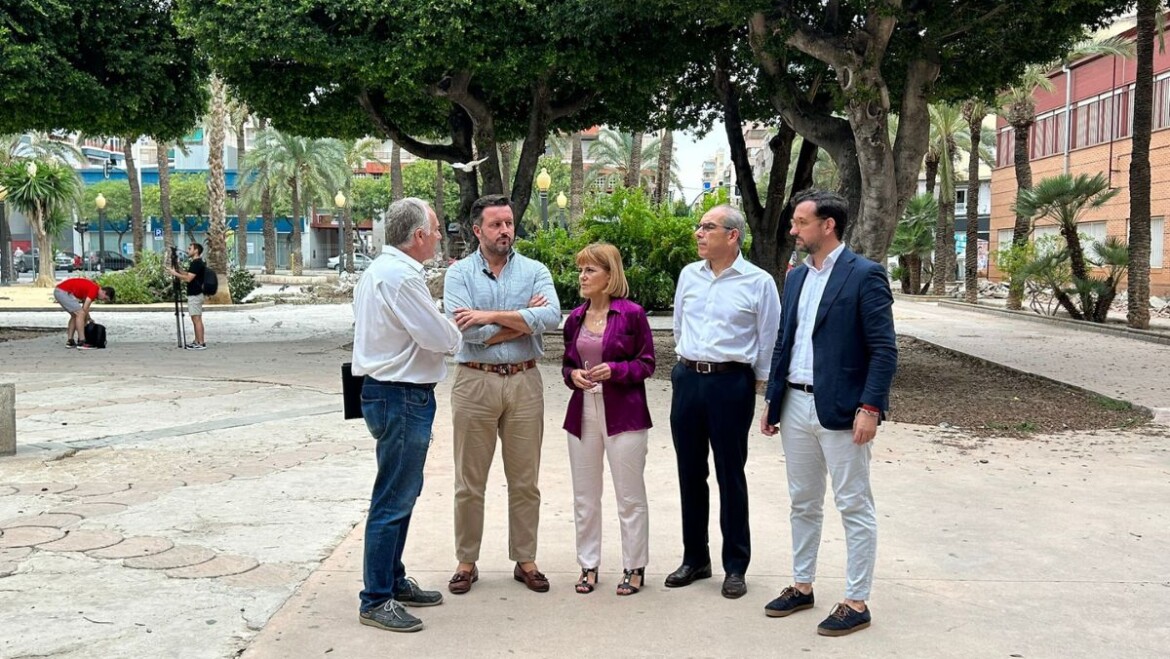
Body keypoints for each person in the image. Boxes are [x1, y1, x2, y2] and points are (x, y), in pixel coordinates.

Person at [760, 189, 897, 637]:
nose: (793, 231)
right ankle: (802, 586)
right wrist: (773, 399)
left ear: (828, 225)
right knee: (803, 500)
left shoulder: (865, 275)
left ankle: (856, 600)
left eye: (800, 223)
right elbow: (786, 341)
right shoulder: (796, 277)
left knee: (853, 503)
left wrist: (871, 406)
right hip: (795, 404)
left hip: (842, 408)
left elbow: (883, 349)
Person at [351, 197, 463, 633]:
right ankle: (376, 597)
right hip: (400, 395)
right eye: (435, 230)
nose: (438, 236)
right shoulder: (401, 278)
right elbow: (440, 338)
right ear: (418, 236)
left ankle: (391, 580)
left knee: (402, 493)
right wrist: (454, 328)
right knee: (393, 498)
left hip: (392, 394)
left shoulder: (381, 272)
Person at [442, 194, 561, 594]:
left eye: (508, 223)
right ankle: (466, 561)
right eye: (495, 224)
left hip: (525, 381)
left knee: (525, 480)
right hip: (474, 382)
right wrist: (523, 321)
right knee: (468, 480)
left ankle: (525, 559)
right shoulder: (459, 275)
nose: (505, 231)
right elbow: (466, 333)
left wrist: (490, 315)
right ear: (478, 230)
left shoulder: (535, 270)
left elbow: (550, 317)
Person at [667, 204, 780, 600]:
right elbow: (680, 323)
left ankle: (735, 566)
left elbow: (769, 339)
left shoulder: (758, 282)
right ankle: (695, 558)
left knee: (731, 474)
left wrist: (766, 392)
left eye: (708, 227)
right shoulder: (689, 276)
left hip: (731, 382)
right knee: (689, 472)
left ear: (732, 235)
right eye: (698, 227)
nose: (699, 233)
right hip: (687, 379)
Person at [560, 243, 655, 596]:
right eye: (580, 270)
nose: (582, 277)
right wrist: (573, 376)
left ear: (609, 275)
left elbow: (647, 363)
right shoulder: (575, 318)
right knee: (585, 495)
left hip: (624, 414)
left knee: (629, 495)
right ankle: (588, 564)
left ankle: (634, 566)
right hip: (582, 411)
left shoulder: (632, 314)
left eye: (590, 270)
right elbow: (567, 366)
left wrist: (614, 370)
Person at [166, 242, 208, 350]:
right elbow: (188, 274)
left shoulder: (196, 263)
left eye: (190, 248)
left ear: (196, 251)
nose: (188, 250)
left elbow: (188, 278)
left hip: (195, 293)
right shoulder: (196, 263)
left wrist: (175, 274)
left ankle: (201, 342)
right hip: (195, 293)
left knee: (196, 318)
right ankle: (197, 340)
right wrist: (178, 270)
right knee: (195, 318)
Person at [53, 277, 115, 349]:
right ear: (104, 292)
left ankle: (70, 341)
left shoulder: (94, 289)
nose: (103, 300)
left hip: (61, 291)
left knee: (75, 315)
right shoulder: (94, 290)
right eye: (105, 298)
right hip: (63, 292)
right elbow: (84, 309)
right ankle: (82, 342)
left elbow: (84, 307)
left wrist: (89, 318)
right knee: (80, 314)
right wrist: (85, 321)